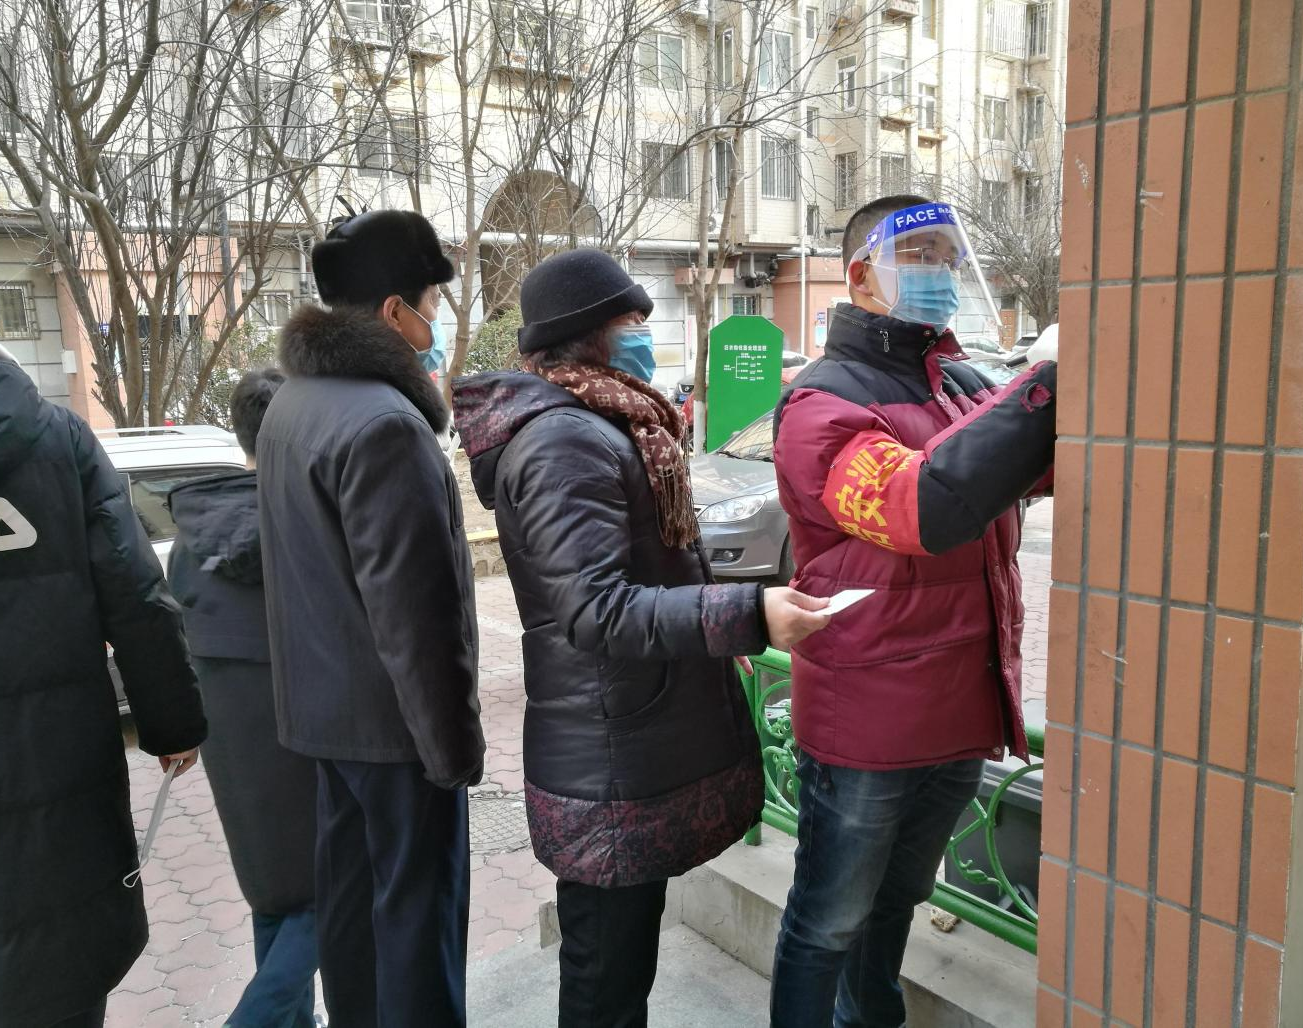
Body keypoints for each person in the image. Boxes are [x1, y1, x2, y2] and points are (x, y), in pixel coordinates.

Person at [454, 248, 832, 1028]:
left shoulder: (605, 423)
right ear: (587, 333)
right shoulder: (564, 441)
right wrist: (749, 614)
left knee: (620, 969)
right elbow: (595, 610)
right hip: (606, 759)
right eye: (631, 320)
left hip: (622, 744)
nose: (644, 336)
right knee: (606, 980)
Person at [769, 195, 1058, 1028]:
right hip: (868, 724)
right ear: (863, 277)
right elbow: (920, 507)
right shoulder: (820, 405)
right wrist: (1046, 386)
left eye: (946, 255)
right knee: (827, 922)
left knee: (895, 902)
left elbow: (1032, 467)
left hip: (959, 707)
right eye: (919, 255)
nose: (940, 272)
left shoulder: (958, 382)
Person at [257, 209, 484, 1028]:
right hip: (398, 735)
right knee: (419, 929)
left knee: (353, 916)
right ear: (393, 310)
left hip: (325, 720)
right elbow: (416, 613)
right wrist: (451, 750)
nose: (434, 321)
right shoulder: (386, 425)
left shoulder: (293, 404)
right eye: (431, 301)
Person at [0, 337, 207, 1028]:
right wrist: (173, 725)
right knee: (61, 970)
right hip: (57, 762)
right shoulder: (60, 441)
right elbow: (136, 594)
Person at [167, 367, 319, 1028]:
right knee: (337, 883)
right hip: (308, 726)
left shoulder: (191, 531)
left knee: (272, 890)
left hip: (228, 736)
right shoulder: (309, 520)